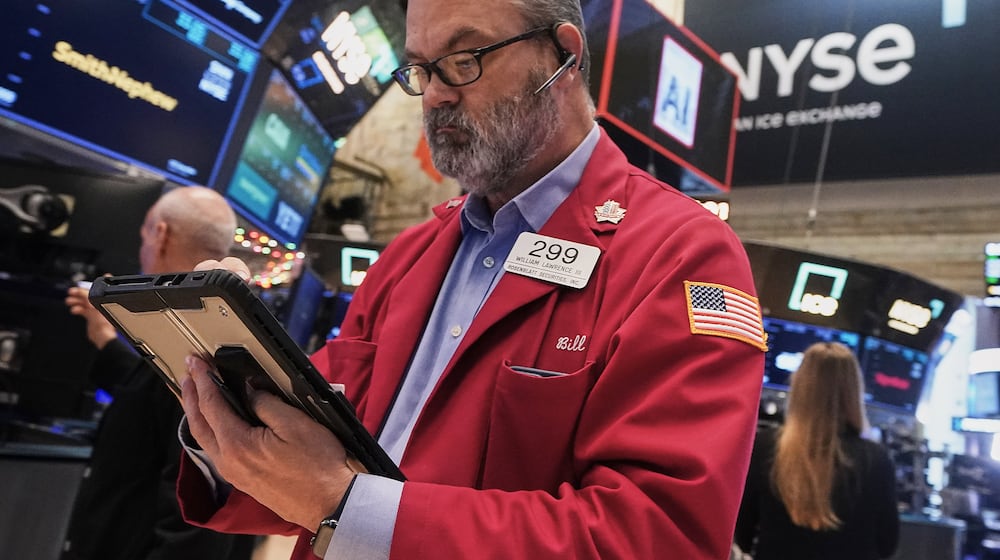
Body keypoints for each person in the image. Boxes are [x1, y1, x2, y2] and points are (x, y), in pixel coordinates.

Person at [176, 1, 768, 558]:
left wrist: (345, 503)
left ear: (562, 56)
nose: (435, 95)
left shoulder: (683, 255)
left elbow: (657, 538)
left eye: (464, 61)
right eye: (419, 69)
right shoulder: (409, 256)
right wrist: (228, 393)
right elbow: (309, 457)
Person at [62, 186, 257, 560]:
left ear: (161, 233)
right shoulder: (218, 325)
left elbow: (196, 525)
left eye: (144, 236)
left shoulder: (186, 334)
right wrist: (105, 339)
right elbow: (153, 401)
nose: (142, 249)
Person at [734, 342, 901, 560]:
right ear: (854, 392)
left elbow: (743, 532)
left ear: (800, 386)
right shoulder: (877, 459)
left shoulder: (766, 446)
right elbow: (888, 543)